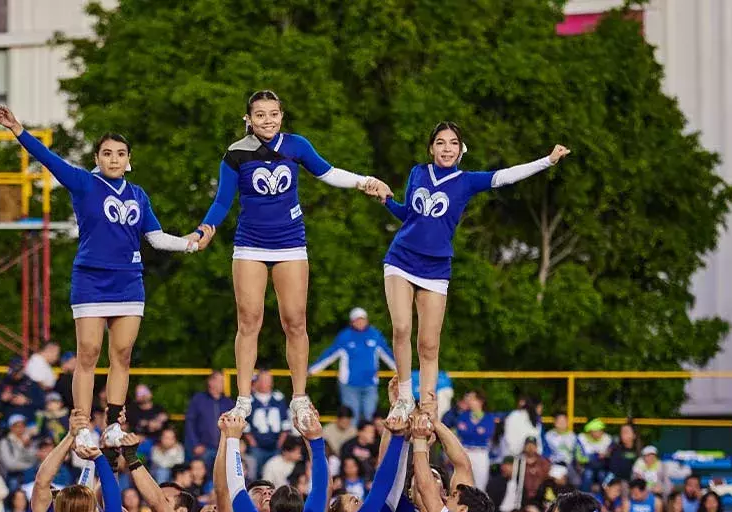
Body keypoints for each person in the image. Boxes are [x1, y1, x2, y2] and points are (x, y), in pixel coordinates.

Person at [0, 105, 197, 450]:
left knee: (122, 355)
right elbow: (48, 158)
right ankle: (82, 423)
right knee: (88, 353)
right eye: (107, 153)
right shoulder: (84, 183)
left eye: (120, 153)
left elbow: (156, 238)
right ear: (97, 157)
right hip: (91, 279)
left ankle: (114, 423)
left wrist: (190, 244)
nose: (114, 159)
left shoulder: (138, 194)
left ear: (129, 158)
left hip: (129, 281)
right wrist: (18, 130)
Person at [192, 90, 391, 431]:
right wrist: (204, 229)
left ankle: (299, 398)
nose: (267, 120)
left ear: (281, 116)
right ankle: (243, 400)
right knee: (249, 320)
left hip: (290, 243)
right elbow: (223, 201)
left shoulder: (296, 145)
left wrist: (364, 182)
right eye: (260, 115)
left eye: (273, 114)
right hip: (251, 245)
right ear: (248, 119)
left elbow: (328, 173)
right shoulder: (236, 153)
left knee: (295, 321)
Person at [379, 123, 567, 420]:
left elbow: (506, 176)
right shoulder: (417, 172)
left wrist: (548, 160)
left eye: (453, 143)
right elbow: (410, 216)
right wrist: (388, 201)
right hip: (401, 258)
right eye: (440, 143)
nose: (446, 148)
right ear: (431, 148)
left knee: (429, 344)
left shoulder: (466, 181)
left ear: (460, 149)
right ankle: (404, 397)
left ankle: (427, 406)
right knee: (402, 328)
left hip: (436, 267)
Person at [308, 307, 395, 425]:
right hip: (349, 385)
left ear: (366, 320)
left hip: (370, 384)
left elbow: (387, 354)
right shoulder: (345, 336)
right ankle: (353, 442)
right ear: (352, 322)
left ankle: (370, 442)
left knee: (370, 418)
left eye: (362, 319)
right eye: (357, 320)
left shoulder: (375, 335)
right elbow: (329, 355)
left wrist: (402, 372)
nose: (360, 322)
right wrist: (311, 370)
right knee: (352, 419)